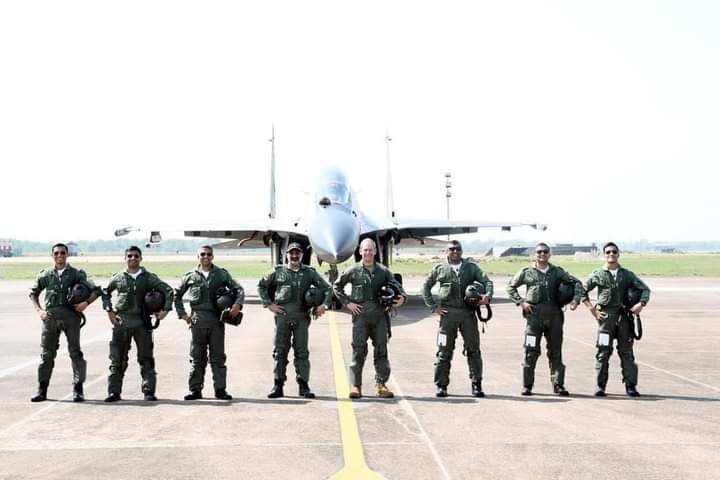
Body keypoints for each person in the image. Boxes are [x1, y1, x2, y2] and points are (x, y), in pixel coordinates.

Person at [506, 243, 583, 396]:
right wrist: (521, 302)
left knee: (555, 351)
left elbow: (577, 283)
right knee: (530, 351)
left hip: (554, 315)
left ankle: (558, 385)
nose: (542, 254)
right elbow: (511, 287)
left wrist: (575, 300)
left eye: (545, 252)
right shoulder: (527, 272)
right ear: (535, 254)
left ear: (549, 254)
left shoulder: (557, 272)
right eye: (539, 252)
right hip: (533, 317)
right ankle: (527, 385)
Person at [257, 243, 332, 399]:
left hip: (301, 317)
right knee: (279, 351)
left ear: (302, 255)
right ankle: (278, 385)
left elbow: (328, 289)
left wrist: (323, 305)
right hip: (282, 317)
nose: (294, 256)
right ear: (287, 254)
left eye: (297, 253)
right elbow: (261, 285)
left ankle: (303, 385)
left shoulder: (309, 273)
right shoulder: (278, 272)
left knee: (302, 352)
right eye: (291, 253)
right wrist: (269, 304)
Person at [333, 238, 406, 399]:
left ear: (375, 251)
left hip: (380, 317)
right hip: (360, 317)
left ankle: (381, 385)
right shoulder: (353, 270)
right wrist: (348, 303)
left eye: (370, 250)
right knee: (358, 351)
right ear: (360, 252)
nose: (368, 253)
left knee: (381, 351)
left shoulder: (383, 271)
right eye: (365, 250)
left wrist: (402, 299)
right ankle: (356, 386)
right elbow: (337, 286)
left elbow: (398, 288)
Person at [29, 243, 100, 402]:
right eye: (56, 253)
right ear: (52, 255)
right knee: (47, 355)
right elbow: (33, 293)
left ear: (67, 255)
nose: (59, 255)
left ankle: (78, 389)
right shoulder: (45, 274)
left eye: (62, 253)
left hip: (71, 317)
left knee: (75, 352)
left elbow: (96, 290)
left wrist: (86, 303)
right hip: (51, 318)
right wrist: (40, 311)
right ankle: (42, 390)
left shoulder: (76, 274)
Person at [101, 246, 174, 402]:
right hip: (122, 322)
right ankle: (114, 392)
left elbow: (168, 290)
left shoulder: (147, 277)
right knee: (117, 359)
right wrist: (109, 310)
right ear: (125, 258)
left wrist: (165, 310)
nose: (132, 258)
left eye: (136, 256)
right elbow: (105, 292)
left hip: (142, 323)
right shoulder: (119, 277)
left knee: (146, 358)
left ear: (141, 258)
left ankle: (149, 391)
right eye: (130, 256)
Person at [422, 240, 493, 397]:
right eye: (451, 249)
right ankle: (441, 385)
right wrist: (433, 307)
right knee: (443, 351)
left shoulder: (471, 267)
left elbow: (487, 281)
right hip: (447, 316)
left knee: (473, 350)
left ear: (461, 251)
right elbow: (425, 287)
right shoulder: (440, 269)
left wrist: (487, 296)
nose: (455, 251)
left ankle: (476, 384)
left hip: (468, 314)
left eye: (458, 249)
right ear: (446, 251)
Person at [175, 245, 244, 401]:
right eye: (202, 254)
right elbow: (176, 296)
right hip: (197, 321)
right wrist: (183, 315)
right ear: (197, 256)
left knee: (218, 357)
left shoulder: (221, 274)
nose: (205, 257)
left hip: (216, 321)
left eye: (209, 254)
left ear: (212, 257)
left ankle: (220, 389)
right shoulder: (190, 276)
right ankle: (195, 390)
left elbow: (238, 289)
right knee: (197, 357)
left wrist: (237, 305)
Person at [582, 242, 650, 397]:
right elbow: (581, 290)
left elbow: (645, 289)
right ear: (604, 255)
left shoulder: (627, 274)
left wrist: (641, 304)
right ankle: (600, 387)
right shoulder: (598, 274)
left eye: (614, 252)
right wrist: (592, 309)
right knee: (603, 352)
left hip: (624, 319)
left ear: (618, 254)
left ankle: (630, 386)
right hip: (606, 320)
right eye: (608, 252)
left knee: (627, 352)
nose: (611, 254)